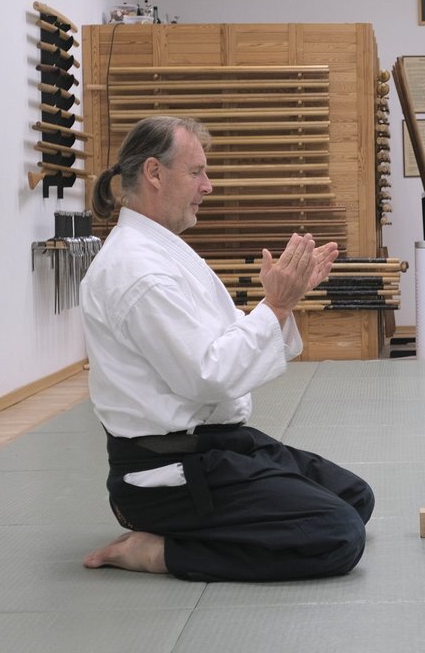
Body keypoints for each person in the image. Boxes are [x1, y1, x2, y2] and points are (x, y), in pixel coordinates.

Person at [80, 116, 374, 581]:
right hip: (168, 469)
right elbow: (207, 374)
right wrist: (275, 306)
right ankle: (158, 552)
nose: (208, 186)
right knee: (337, 535)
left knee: (356, 498)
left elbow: (224, 336)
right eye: (196, 172)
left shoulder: (164, 251)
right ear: (154, 173)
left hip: (216, 443)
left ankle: (198, 528)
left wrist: (281, 303)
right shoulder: (138, 270)